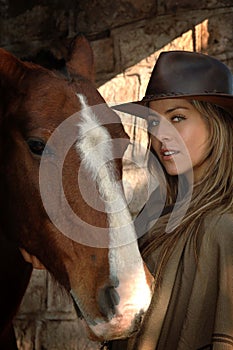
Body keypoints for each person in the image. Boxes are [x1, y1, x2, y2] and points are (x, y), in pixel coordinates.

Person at [110, 51, 233, 350]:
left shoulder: (224, 229)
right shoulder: (154, 221)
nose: (161, 135)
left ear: (216, 123)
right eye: (153, 123)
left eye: (177, 117)